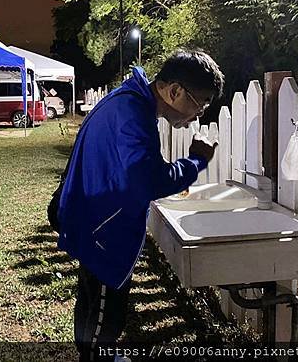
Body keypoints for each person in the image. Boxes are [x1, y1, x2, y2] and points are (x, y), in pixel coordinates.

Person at [56, 49, 225, 362]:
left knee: (94, 305)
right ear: (174, 91)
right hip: (103, 232)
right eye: (199, 104)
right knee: (105, 318)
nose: (198, 115)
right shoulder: (133, 115)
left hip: (95, 219)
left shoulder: (130, 101)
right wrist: (197, 160)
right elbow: (151, 180)